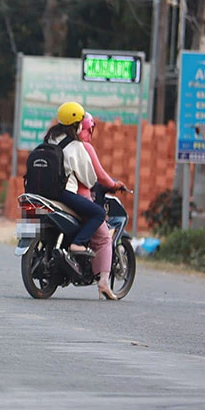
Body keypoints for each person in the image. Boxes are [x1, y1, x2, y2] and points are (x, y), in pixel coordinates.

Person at [45, 103, 111, 296]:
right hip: (64, 193)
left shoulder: (51, 138)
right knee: (98, 213)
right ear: (78, 124)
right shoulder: (76, 146)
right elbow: (89, 178)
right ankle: (79, 243)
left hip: (45, 193)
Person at [78, 112, 127, 301]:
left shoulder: (61, 145)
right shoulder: (85, 148)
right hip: (81, 199)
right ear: (88, 128)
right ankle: (104, 283)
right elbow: (101, 176)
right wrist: (114, 184)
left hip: (62, 198)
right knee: (105, 238)